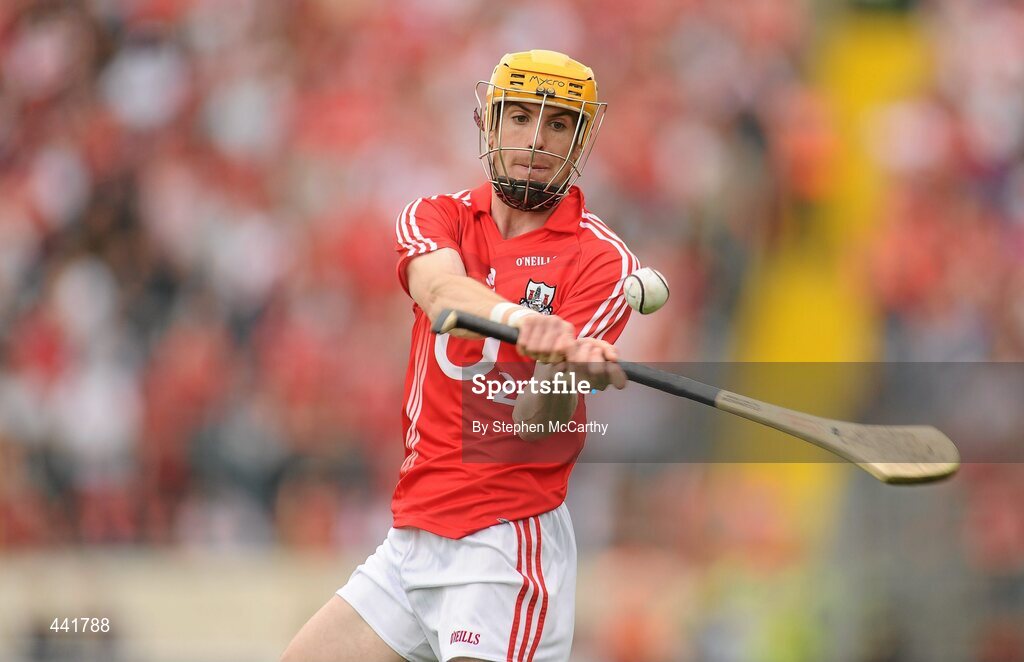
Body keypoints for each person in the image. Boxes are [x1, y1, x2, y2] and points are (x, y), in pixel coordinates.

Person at [282, 49, 639, 662]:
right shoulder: (437, 216)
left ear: (580, 142)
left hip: (503, 545)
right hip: (414, 534)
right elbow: (441, 293)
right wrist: (526, 322)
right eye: (521, 116)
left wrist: (559, 369)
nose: (536, 139)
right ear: (489, 125)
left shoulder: (604, 264)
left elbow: (536, 425)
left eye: (557, 124)